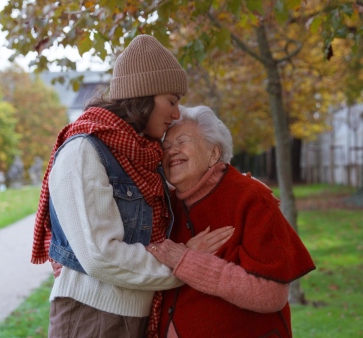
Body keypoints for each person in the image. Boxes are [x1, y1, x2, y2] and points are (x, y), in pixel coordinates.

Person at [30, 35, 232, 338]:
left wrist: (241, 189)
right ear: (145, 95)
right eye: (172, 101)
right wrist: (182, 263)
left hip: (132, 313)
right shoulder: (84, 151)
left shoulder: (139, 156)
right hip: (93, 317)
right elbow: (100, 255)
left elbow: (183, 195)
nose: (176, 114)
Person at [146, 105, 316, 338]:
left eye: (182, 142)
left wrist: (187, 261)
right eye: (166, 146)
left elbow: (272, 294)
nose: (172, 151)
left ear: (214, 153)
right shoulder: (164, 202)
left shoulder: (251, 197)